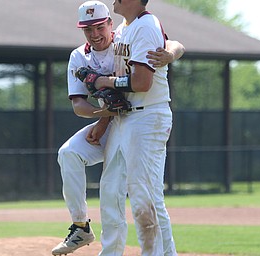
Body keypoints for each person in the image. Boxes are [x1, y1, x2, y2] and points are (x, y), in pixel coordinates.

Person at [52, 1, 184, 255]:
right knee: (108, 188)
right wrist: (103, 117)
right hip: (122, 120)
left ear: (109, 25)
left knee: (148, 198)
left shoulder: (135, 29)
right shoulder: (120, 32)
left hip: (144, 117)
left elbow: (165, 50)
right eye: (88, 28)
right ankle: (85, 230)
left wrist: (173, 53)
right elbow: (79, 103)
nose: (95, 33)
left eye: (99, 26)